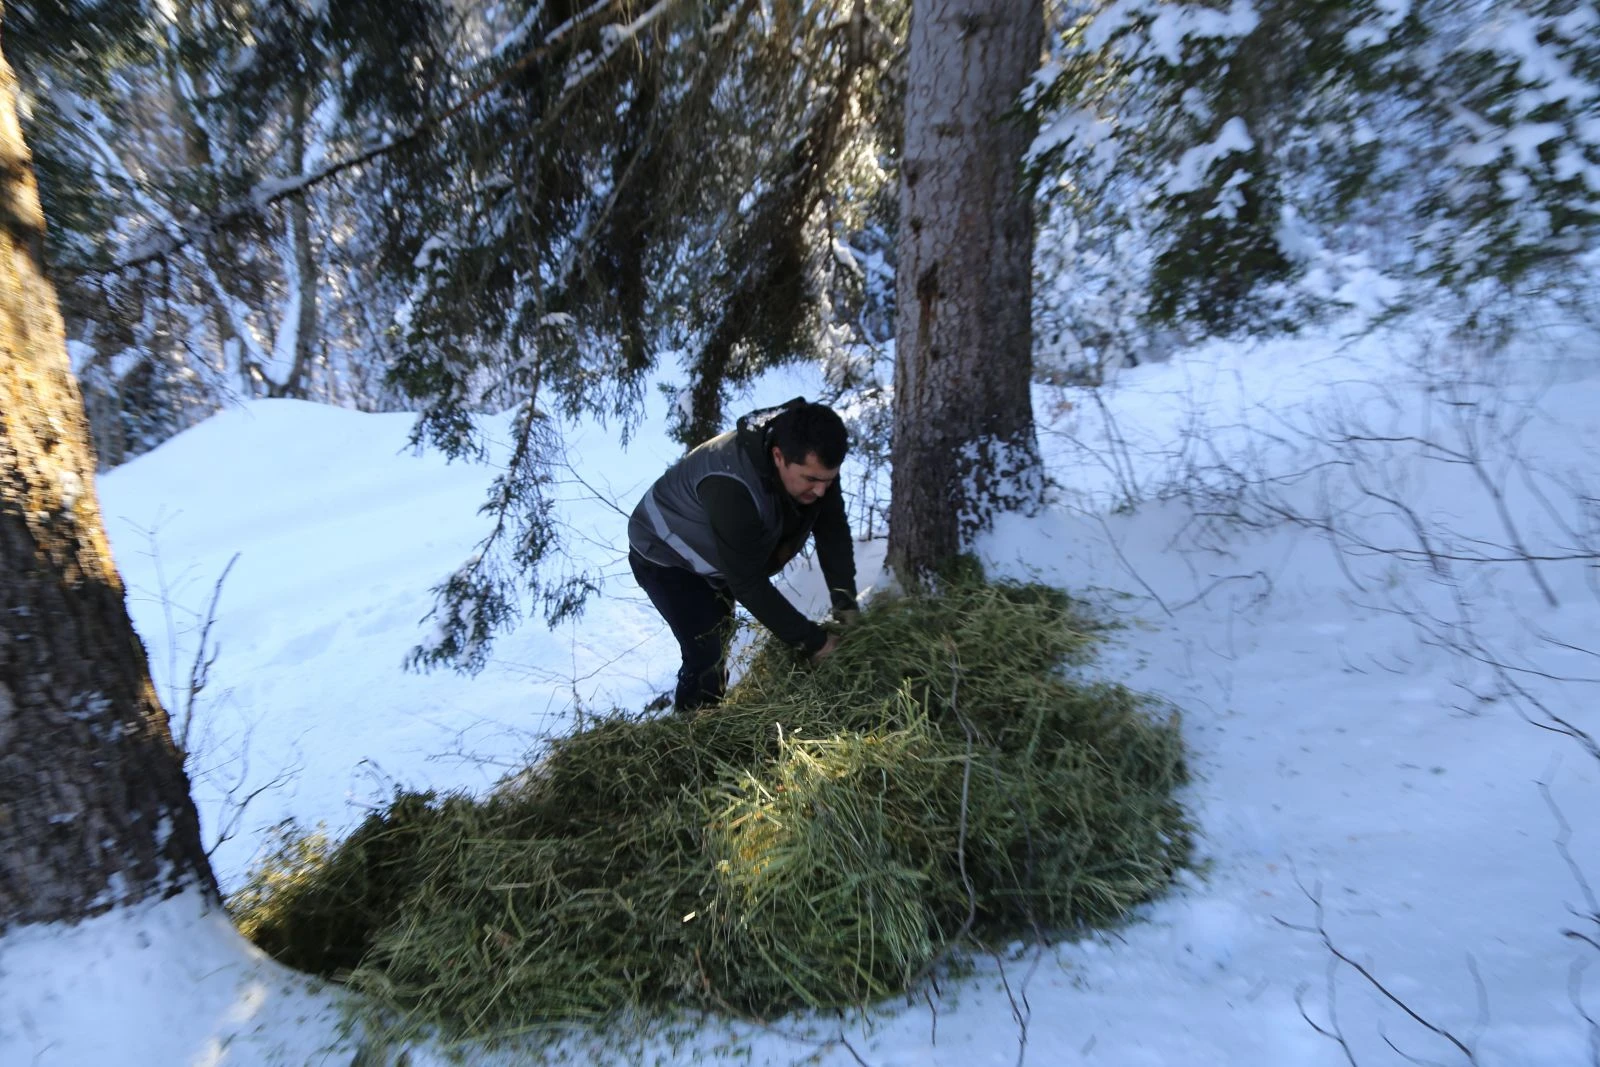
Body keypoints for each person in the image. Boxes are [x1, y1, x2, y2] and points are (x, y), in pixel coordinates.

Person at [628, 397, 859, 712]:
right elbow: (747, 583)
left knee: (720, 639)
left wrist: (845, 602)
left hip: (720, 548)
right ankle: (694, 732)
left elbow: (832, 529)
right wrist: (814, 643)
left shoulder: (811, 459)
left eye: (828, 481)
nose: (821, 490)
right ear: (778, 457)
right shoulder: (732, 486)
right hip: (664, 552)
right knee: (707, 649)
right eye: (812, 480)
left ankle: (710, 708)